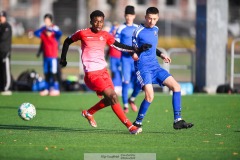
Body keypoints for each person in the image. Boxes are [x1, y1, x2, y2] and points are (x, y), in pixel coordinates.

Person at [60, 10, 150, 134]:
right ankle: (131, 127)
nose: (98, 24)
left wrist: (138, 49)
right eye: (96, 21)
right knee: (113, 96)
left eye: (101, 21)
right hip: (92, 75)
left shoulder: (105, 35)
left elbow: (119, 45)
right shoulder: (82, 33)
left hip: (104, 72)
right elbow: (67, 41)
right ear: (91, 21)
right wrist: (63, 58)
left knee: (110, 99)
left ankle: (89, 112)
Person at [132, 7, 194, 130]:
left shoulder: (156, 29)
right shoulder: (138, 31)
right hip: (143, 68)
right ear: (145, 17)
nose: (151, 21)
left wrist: (162, 55)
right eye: (149, 18)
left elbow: (152, 47)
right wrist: (138, 51)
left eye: (154, 19)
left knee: (176, 87)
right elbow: (132, 51)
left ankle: (178, 120)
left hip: (155, 66)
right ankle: (137, 123)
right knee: (150, 96)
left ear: (158, 19)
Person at [115, 5, 141, 113]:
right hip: (125, 59)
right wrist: (129, 51)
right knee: (125, 81)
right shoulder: (121, 28)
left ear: (134, 16)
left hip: (136, 60)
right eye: (127, 15)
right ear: (125, 16)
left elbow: (141, 42)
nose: (129, 17)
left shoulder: (137, 28)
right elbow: (115, 44)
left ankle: (132, 99)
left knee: (140, 82)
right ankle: (125, 105)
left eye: (131, 15)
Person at [34, 13, 62, 96]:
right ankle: (47, 88)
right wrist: (44, 28)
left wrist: (51, 29)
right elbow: (36, 33)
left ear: (50, 20)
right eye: (45, 20)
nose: (46, 22)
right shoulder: (43, 33)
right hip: (45, 56)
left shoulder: (54, 32)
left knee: (53, 72)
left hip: (53, 56)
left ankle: (56, 89)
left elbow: (59, 33)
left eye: (47, 20)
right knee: (46, 73)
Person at [108, 22, 122, 96]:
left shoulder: (120, 35)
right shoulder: (111, 35)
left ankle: (119, 87)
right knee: (113, 72)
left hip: (120, 57)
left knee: (119, 72)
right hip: (112, 57)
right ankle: (114, 87)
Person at [0, 11, 12, 96]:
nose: (1, 18)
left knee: (5, 71)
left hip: (5, 52)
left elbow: (3, 37)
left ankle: (7, 87)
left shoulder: (7, 27)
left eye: (2, 16)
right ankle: (1, 87)